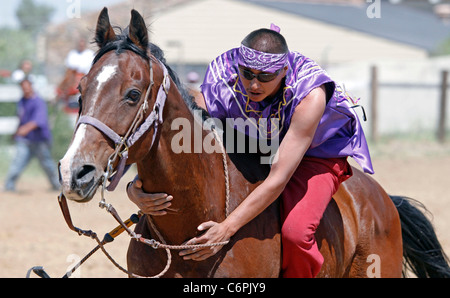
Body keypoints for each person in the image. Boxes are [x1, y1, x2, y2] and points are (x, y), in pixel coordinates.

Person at [127, 25, 373, 278]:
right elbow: (189, 143)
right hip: (256, 140)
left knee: (296, 233)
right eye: (247, 73)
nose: (254, 85)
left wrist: (226, 229)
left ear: (284, 71)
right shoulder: (223, 76)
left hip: (316, 152)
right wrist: (137, 186)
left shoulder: (311, 96)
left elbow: (278, 178)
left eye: (265, 77)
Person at [4, 79, 60, 192]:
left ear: (31, 86)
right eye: (23, 87)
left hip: (40, 140)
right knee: (17, 162)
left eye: (27, 86)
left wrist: (25, 129)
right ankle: (9, 186)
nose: (25, 89)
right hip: (25, 140)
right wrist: (16, 133)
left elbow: (39, 120)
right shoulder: (22, 101)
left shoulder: (38, 101)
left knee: (47, 164)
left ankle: (58, 185)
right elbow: (21, 118)